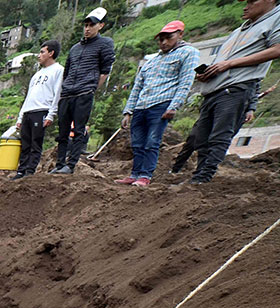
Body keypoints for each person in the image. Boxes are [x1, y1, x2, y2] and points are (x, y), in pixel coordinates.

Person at [187, 0, 280, 184]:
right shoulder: (240, 30)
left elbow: (277, 49)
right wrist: (209, 72)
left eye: (252, 1)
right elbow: (222, 61)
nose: (246, 6)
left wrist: (229, 64)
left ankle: (204, 178)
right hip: (215, 88)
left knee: (219, 135)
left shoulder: (275, 18)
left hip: (236, 87)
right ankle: (198, 176)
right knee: (201, 137)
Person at [114, 22, 200, 187]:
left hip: (161, 103)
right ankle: (135, 174)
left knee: (152, 141)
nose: (164, 42)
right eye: (161, 39)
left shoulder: (188, 53)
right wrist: (128, 111)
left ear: (180, 34)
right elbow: (137, 87)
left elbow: (186, 81)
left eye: (168, 38)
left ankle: (145, 176)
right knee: (137, 143)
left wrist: (174, 105)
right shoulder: (152, 61)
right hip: (141, 106)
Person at [50, 8, 116, 175]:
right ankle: (59, 164)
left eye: (91, 25)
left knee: (79, 130)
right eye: (85, 25)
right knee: (63, 131)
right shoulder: (75, 48)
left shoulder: (105, 43)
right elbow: (68, 71)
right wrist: (64, 89)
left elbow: (105, 70)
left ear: (100, 26)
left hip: (84, 92)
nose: (87, 28)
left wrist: (92, 89)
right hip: (67, 93)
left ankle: (71, 165)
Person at [172, 80, 262, 174]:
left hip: (234, 108)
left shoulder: (251, 76)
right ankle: (175, 169)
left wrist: (251, 109)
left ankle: (203, 172)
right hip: (214, 103)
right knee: (194, 139)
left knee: (216, 141)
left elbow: (255, 90)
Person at [12, 41, 63, 180]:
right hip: (28, 110)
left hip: (41, 110)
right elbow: (28, 96)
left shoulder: (58, 70)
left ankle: (30, 172)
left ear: (51, 53)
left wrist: (51, 114)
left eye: (42, 52)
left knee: (36, 143)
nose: (39, 55)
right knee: (25, 143)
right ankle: (21, 171)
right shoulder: (36, 75)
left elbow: (58, 93)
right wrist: (20, 117)